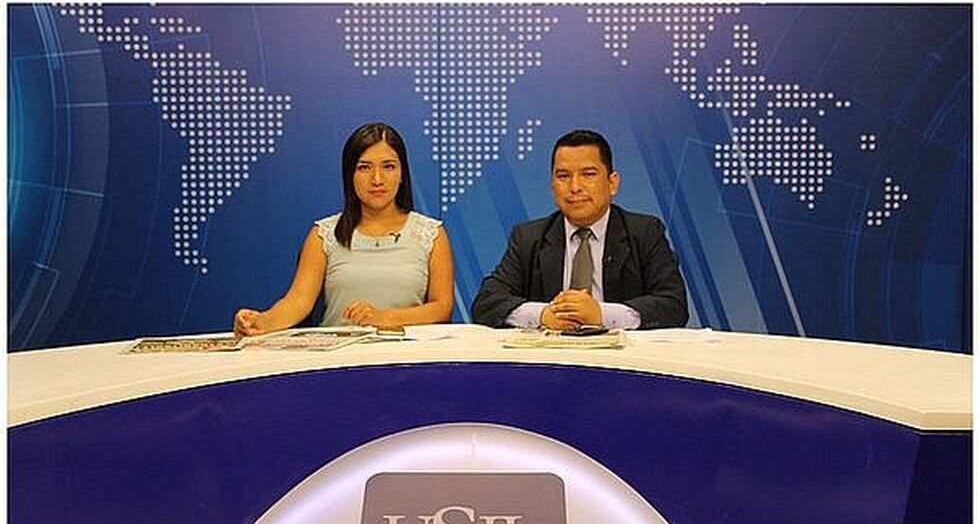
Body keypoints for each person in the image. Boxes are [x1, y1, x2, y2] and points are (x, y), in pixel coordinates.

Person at [234, 122, 454, 336]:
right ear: (349, 175)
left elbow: (442, 308)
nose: (377, 179)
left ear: (402, 173)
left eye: (388, 166)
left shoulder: (431, 233)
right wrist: (261, 322)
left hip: (408, 354)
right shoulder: (324, 234)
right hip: (339, 355)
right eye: (364, 168)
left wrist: (384, 317)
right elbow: (298, 301)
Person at [471, 129, 687, 330]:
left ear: (612, 183)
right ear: (552, 184)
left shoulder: (645, 232)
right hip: (551, 353)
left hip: (622, 354)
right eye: (563, 176)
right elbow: (487, 302)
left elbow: (673, 305)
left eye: (588, 174)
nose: (575, 187)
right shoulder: (528, 237)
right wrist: (543, 315)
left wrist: (601, 314)